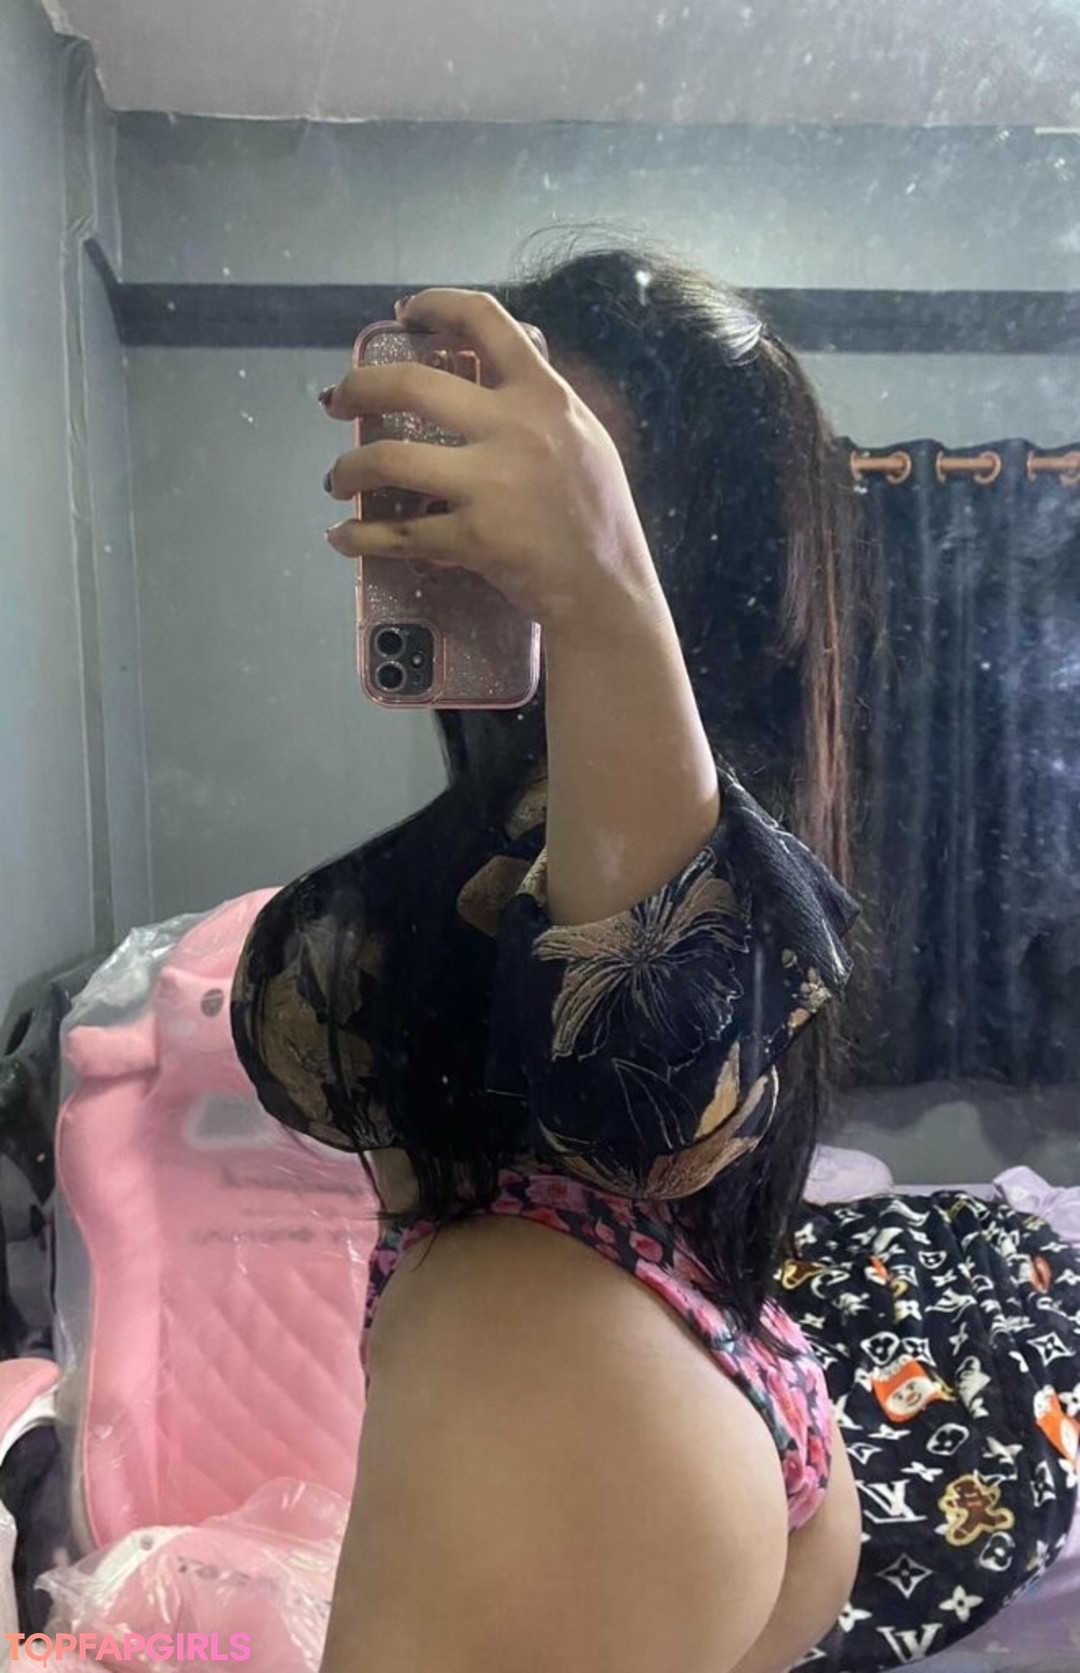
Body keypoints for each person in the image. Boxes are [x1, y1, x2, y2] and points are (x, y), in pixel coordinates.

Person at [230, 247, 1079, 1673]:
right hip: (640, 1375)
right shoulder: (525, 823)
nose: (501, 520)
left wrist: (600, 584)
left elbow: (643, 1081)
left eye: (575, 485)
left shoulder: (700, 853)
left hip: (578, 1385)